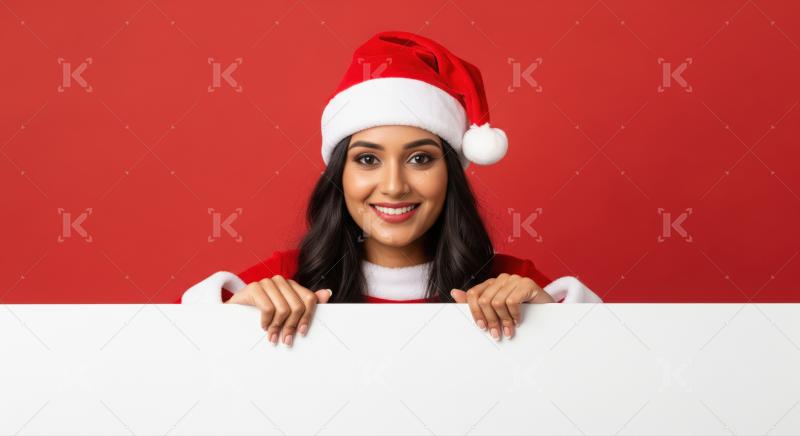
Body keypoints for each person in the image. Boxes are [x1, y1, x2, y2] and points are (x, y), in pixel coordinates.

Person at [180, 30, 602, 347]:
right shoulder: (284, 281)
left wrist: (553, 326)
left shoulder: (514, 286)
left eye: (420, 158)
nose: (395, 186)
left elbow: (615, 374)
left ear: (450, 173)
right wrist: (230, 324)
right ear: (339, 175)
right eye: (367, 159)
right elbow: (172, 360)